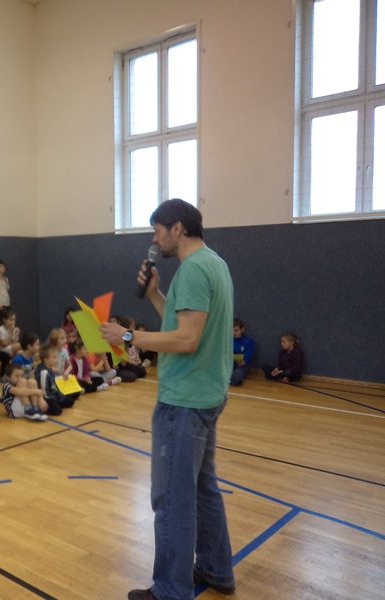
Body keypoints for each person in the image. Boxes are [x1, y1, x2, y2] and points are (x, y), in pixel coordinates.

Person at [99, 199, 236, 600]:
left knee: (172, 499)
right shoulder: (213, 264)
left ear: (178, 228)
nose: (154, 240)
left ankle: (171, 590)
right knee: (203, 489)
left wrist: (127, 335)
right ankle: (215, 568)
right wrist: (156, 294)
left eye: (157, 231)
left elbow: (186, 340)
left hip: (185, 399)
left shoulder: (193, 270)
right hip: (206, 394)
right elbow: (181, 324)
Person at [34, 344, 78, 415]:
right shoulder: (43, 372)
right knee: (58, 411)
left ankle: (57, 403)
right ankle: (40, 408)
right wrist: (53, 399)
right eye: (54, 357)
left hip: (54, 394)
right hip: (47, 397)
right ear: (46, 360)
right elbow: (44, 391)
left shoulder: (51, 370)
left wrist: (59, 395)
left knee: (71, 401)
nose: (57, 359)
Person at [230, 319, 255, 386]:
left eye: (236, 330)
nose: (234, 333)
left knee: (236, 375)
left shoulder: (249, 341)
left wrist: (244, 361)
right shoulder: (228, 340)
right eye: (232, 331)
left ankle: (235, 378)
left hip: (242, 365)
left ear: (242, 329)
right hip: (229, 363)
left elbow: (248, 355)